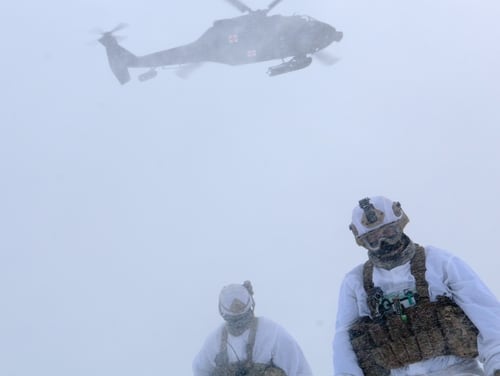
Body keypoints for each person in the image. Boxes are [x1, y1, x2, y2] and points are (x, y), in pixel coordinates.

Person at [333, 196, 500, 376]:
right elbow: (345, 343)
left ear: (400, 225)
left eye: (388, 232)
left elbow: (488, 318)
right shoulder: (355, 282)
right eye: (373, 238)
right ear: (362, 241)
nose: (383, 243)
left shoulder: (441, 263)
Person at [193, 280, 313, 376]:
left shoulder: (271, 333)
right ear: (222, 308)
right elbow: (200, 370)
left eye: (240, 301)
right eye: (230, 302)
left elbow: (299, 370)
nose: (236, 306)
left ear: (249, 302)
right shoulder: (215, 341)